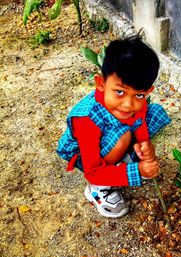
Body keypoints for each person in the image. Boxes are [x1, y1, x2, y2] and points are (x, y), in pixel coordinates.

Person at [56, 33, 171, 218]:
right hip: (85, 156)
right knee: (122, 136)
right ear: (101, 83)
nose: (128, 104)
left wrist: (145, 146)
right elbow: (92, 170)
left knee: (153, 112)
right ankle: (98, 188)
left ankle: (121, 161)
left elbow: (139, 121)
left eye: (139, 95)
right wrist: (138, 170)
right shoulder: (86, 119)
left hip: (112, 137)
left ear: (148, 91)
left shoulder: (135, 103)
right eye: (119, 92)